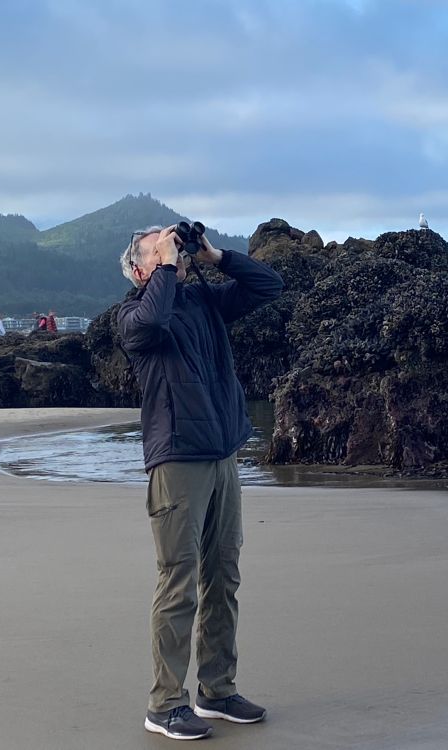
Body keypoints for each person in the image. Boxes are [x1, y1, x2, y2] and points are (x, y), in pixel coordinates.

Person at [118, 225, 283, 741]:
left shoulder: (204, 301)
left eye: (173, 245)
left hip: (222, 454)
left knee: (223, 576)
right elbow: (152, 318)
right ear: (142, 269)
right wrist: (166, 266)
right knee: (179, 581)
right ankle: (165, 704)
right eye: (158, 249)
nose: (173, 251)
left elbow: (268, 287)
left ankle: (217, 690)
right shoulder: (135, 315)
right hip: (178, 461)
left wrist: (216, 256)